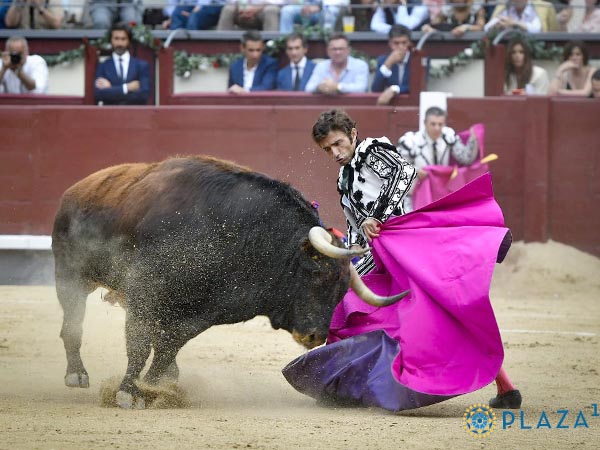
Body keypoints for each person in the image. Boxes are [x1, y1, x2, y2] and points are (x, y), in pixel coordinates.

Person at [282, 109, 522, 412]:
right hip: (377, 253)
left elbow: (404, 173)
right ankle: (350, 384)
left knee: (439, 311)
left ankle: (505, 386)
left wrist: (376, 216)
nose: (335, 153)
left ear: (353, 134)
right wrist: (351, 254)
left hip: (402, 246)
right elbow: (356, 226)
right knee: (352, 303)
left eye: (339, 143)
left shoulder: (371, 151)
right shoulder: (344, 178)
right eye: (327, 149)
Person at [397, 106, 479, 212]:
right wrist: (415, 171)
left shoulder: (448, 137)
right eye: (433, 124)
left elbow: (465, 159)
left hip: (440, 195)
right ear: (425, 123)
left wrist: (473, 139)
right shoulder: (411, 141)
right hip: (413, 196)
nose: (437, 128)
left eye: (440, 124)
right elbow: (398, 165)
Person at [94, 23, 151, 105]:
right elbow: (99, 94)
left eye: (123, 39)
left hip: (134, 112)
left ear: (129, 41)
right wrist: (126, 88)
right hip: (111, 112)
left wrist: (111, 89)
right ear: (111, 40)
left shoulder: (141, 65)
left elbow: (143, 95)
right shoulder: (103, 66)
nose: (119, 43)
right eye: (116, 38)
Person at [304, 33, 369, 94]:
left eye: (341, 49)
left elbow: (361, 88)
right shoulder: (321, 66)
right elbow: (308, 88)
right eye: (334, 49)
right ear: (328, 51)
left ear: (348, 50)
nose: (338, 52)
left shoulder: (360, 65)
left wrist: (338, 87)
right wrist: (319, 87)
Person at [371, 24, 411, 105]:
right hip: (390, 106)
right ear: (390, 44)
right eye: (396, 43)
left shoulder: (417, 60)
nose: (401, 47)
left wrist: (395, 89)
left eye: (404, 43)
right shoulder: (383, 60)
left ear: (409, 43)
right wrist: (388, 64)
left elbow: (418, 87)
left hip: (412, 105)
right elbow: (376, 89)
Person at [227, 30, 278, 94]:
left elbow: (266, 88)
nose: (255, 55)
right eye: (251, 50)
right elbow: (231, 89)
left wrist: (243, 91)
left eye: (258, 50)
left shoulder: (270, 64)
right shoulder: (235, 67)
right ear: (242, 48)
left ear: (263, 47)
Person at [484, 0, 559, 33]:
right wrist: (497, 26)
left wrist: (514, 24)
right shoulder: (504, 6)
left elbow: (537, 29)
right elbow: (486, 28)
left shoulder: (540, 7)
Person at [420, 0, 486, 36]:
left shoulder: (477, 9)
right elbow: (434, 23)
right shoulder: (446, 10)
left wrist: (466, 27)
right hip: (450, 46)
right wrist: (427, 27)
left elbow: (481, 27)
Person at [216, 0, 282, 31]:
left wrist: (257, 8)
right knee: (228, 9)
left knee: (271, 10)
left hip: (263, 9)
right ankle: (222, 45)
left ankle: (271, 45)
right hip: (241, 9)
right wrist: (241, 8)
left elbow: (280, 1)